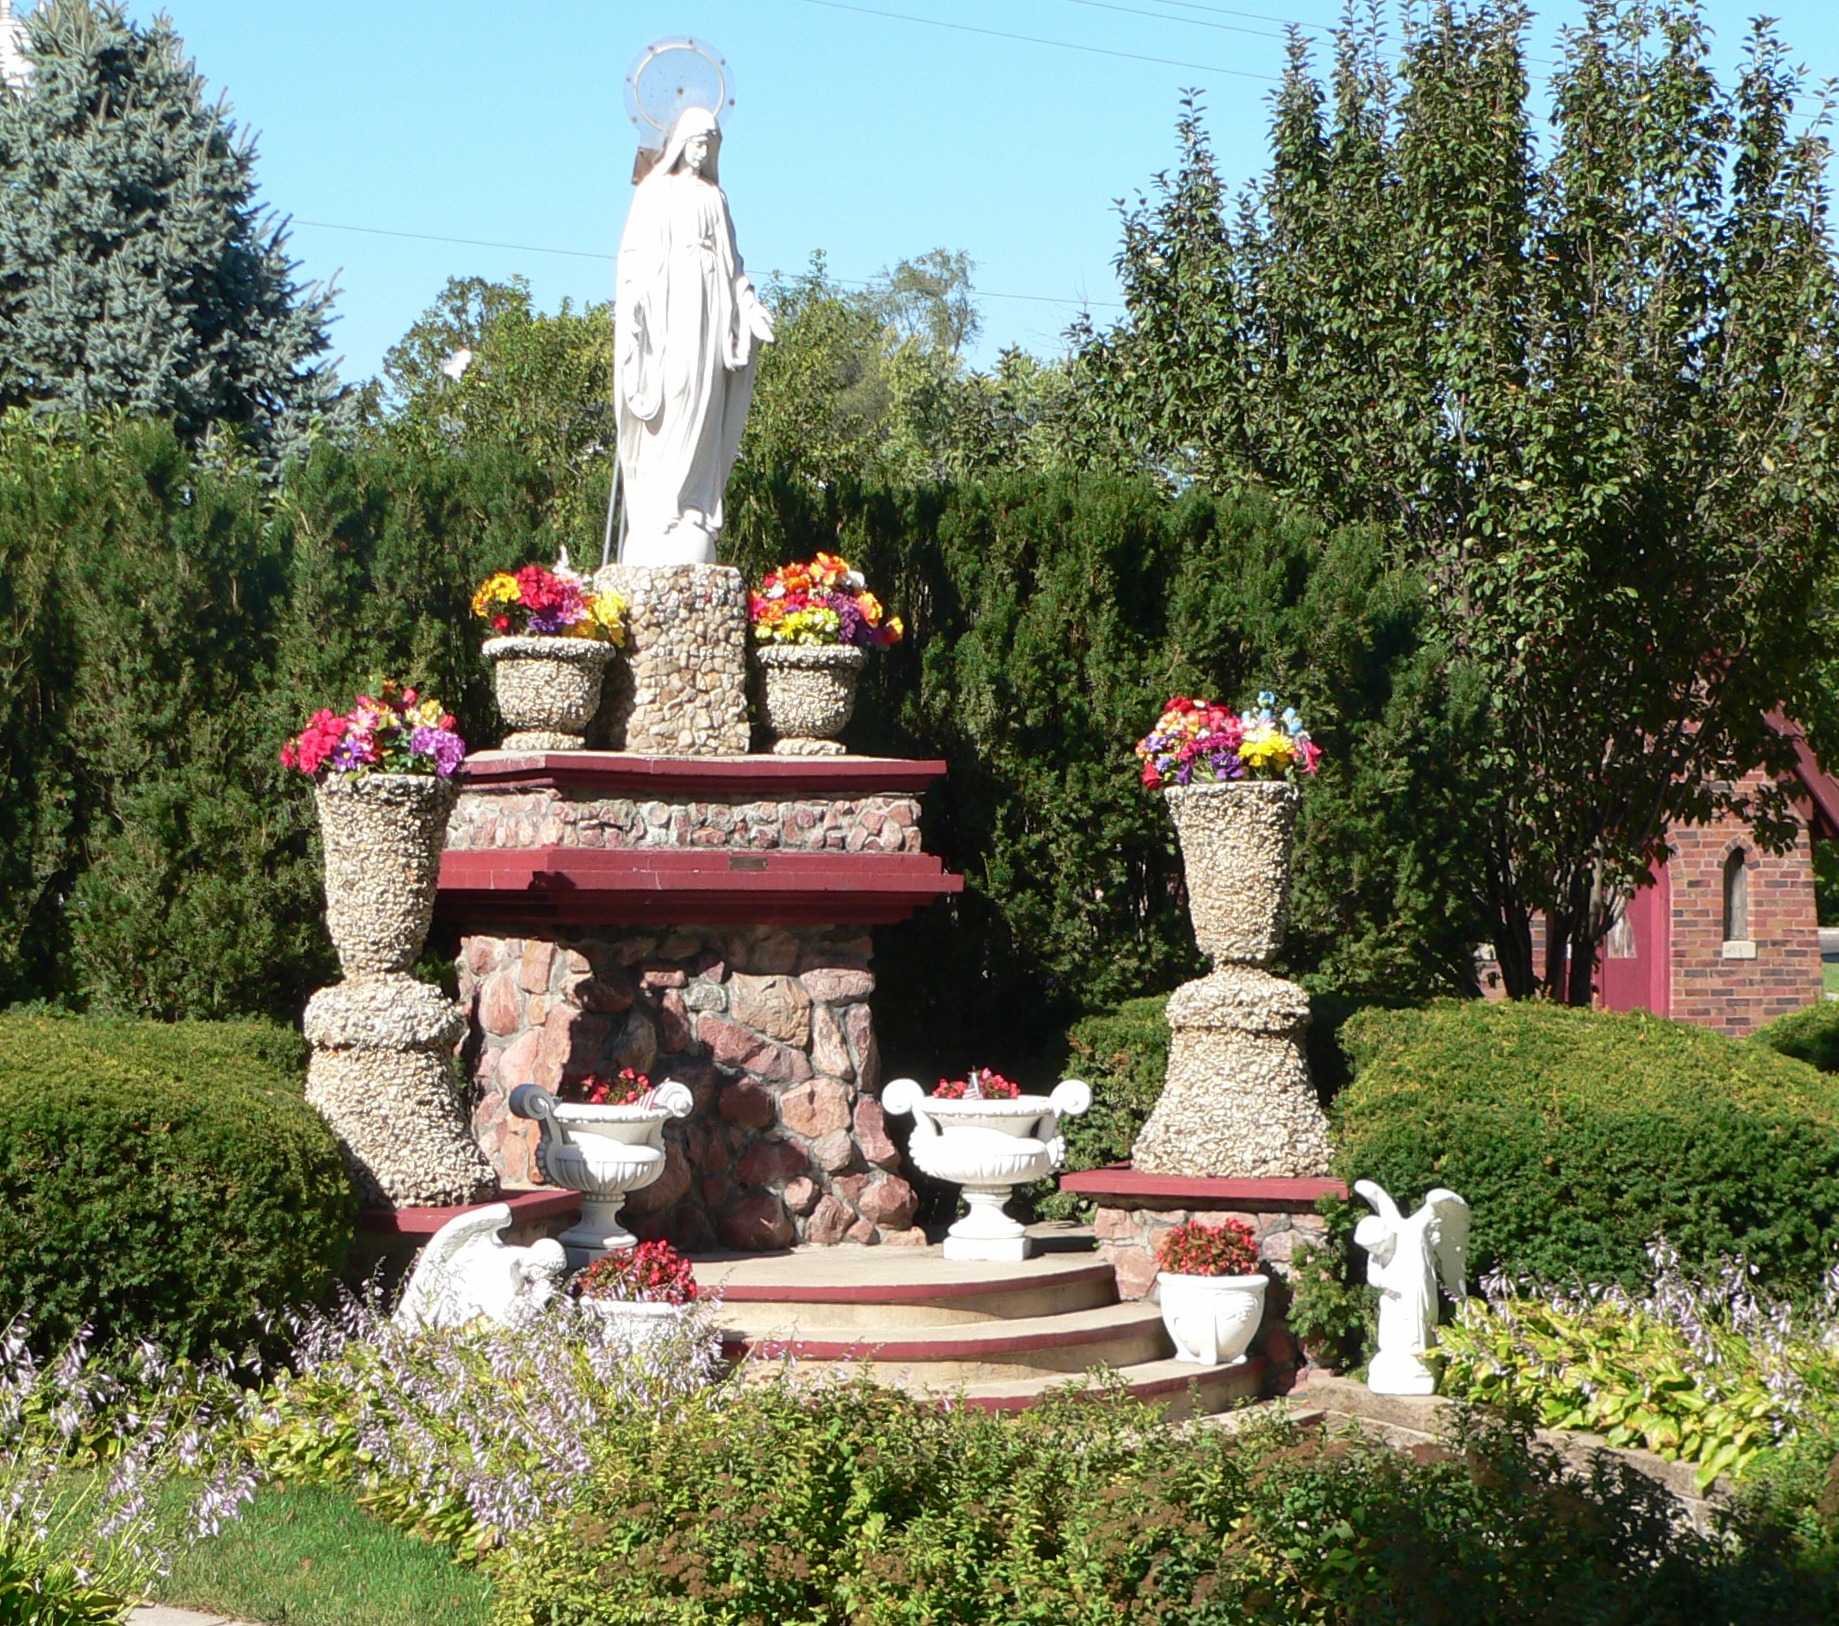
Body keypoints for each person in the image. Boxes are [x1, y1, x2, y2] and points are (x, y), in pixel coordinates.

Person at [614, 104, 774, 566]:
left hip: (709, 313)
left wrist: (749, 307)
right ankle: (658, 507)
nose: (703, 152)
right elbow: (634, 255)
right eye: (697, 142)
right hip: (668, 311)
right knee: (674, 391)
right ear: (681, 142)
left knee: (704, 402)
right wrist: (636, 299)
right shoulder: (655, 192)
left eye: (711, 144)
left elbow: (734, 267)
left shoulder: (715, 198)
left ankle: (692, 507)